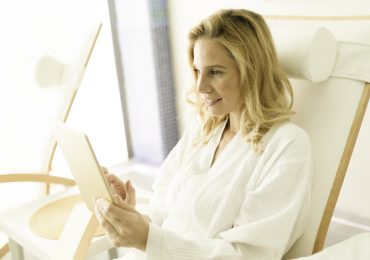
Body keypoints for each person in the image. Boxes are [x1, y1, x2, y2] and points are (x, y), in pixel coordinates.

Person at [93, 8, 313, 260]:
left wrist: (147, 238)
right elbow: (162, 207)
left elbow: (249, 254)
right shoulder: (204, 130)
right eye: (198, 71)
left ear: (252, 71)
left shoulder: (286, 146)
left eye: (216, 72)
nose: (200, 87)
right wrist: (132, 216)